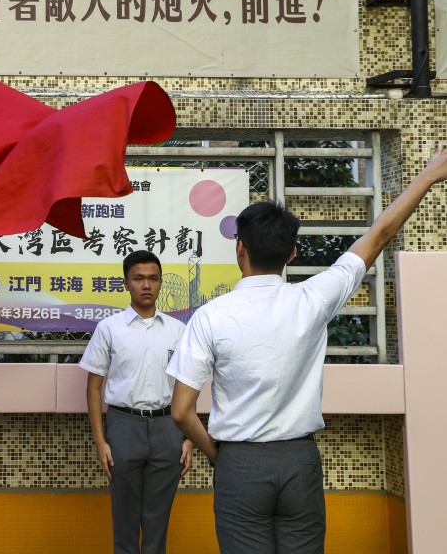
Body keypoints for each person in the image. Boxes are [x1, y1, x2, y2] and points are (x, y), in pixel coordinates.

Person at [168, 145, 447, 554]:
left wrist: (217, 455)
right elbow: (379, 235)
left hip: (240, 463)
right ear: (292, 253)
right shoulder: (313, 299)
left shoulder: (211, 316)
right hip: (300, 460)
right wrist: (428, 175)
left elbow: (180, 411)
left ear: (239, 249)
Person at [79, 249, 193, 554]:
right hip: (123, 426)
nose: (146, 285)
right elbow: (93, 388)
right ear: (126, 283)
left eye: (153, 278)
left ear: (160, 283)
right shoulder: (109, 329)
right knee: (125, 518)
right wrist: (100, 440)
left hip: (168, 428)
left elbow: (187, 385)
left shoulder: (178, 331)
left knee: (157, 520)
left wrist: (189, 438)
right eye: (139, 278)